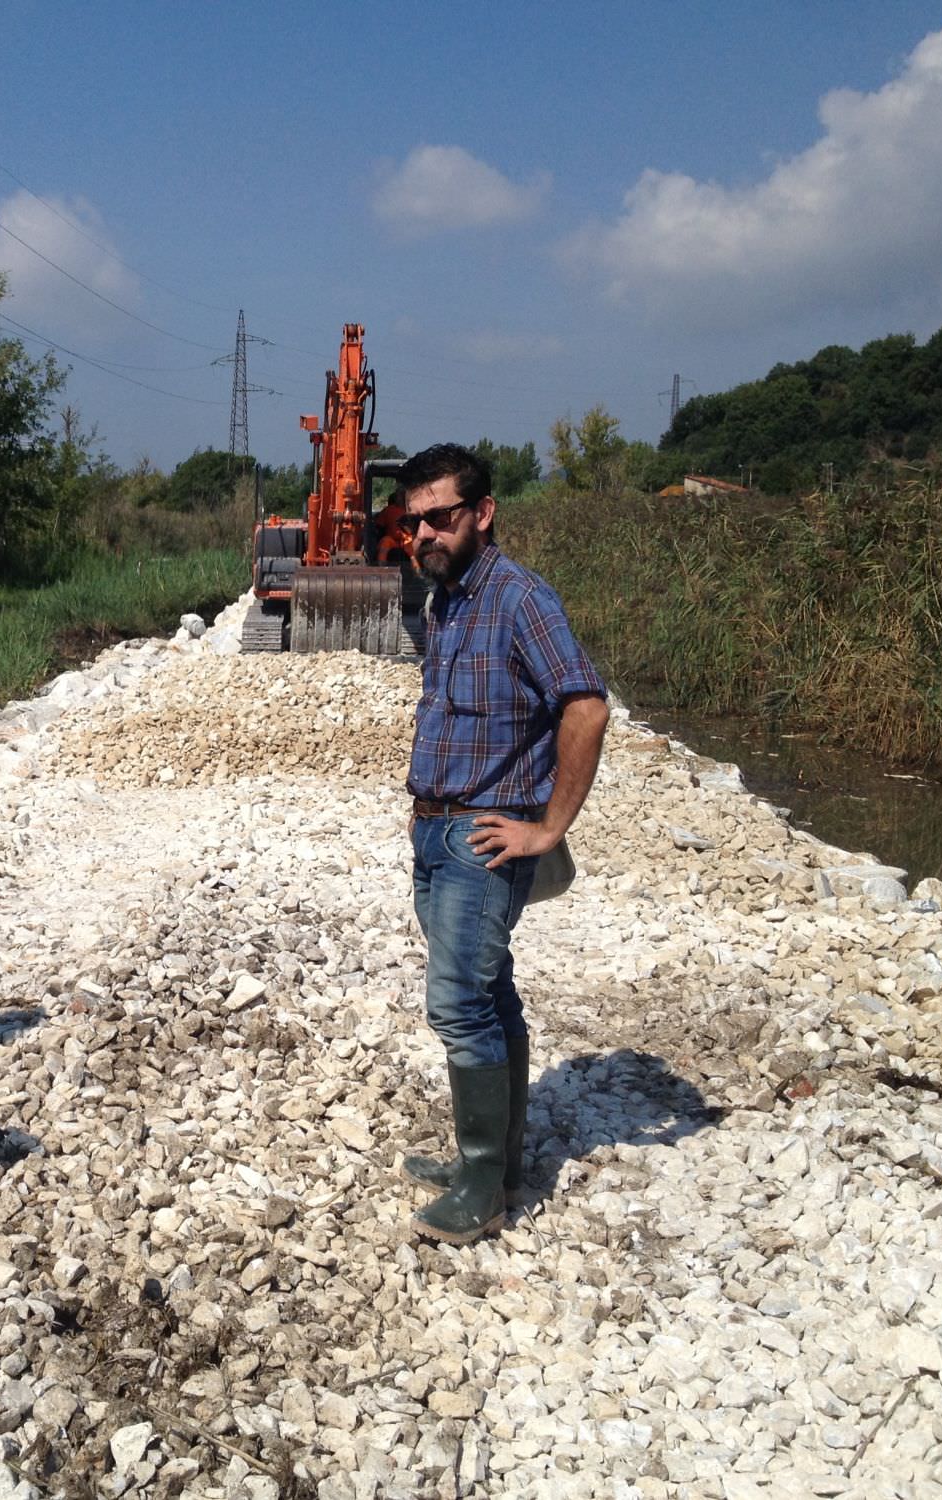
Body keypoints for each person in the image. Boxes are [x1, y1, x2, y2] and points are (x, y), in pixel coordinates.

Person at [395, 442, 609, 1245]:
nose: (424, 534)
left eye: (440, 518)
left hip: (486, 838)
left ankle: (483, 1184)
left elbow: (585, 708)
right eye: (413, 522)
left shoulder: (521, 600)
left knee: (456, 1003)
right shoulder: (444, 600)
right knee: (488, 992)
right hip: (436, 829)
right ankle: (494, 1159)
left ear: (482, 514)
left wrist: (548, 827)